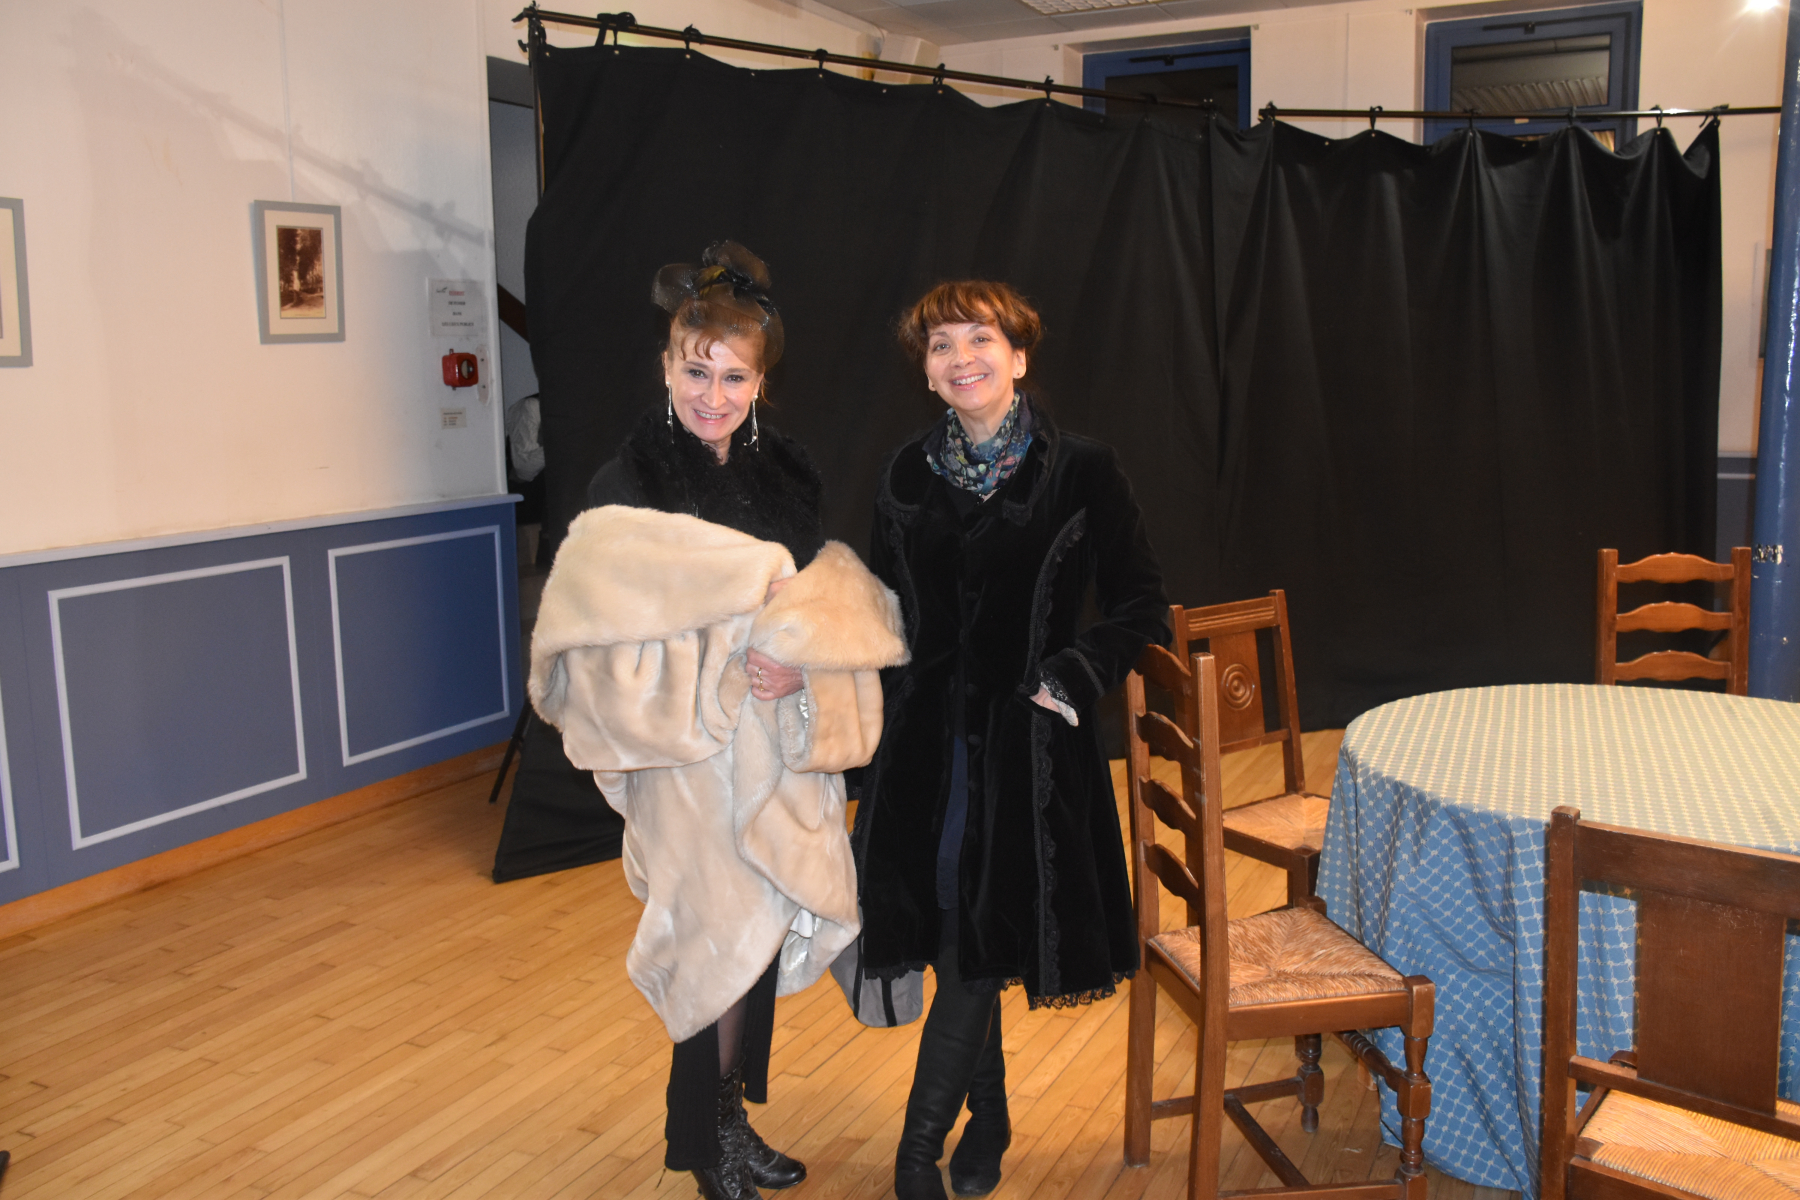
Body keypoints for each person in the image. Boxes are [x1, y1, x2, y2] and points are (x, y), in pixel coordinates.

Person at [528, 243, 908, 1200]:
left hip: (772, 740)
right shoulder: (630, 481)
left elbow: (815, 596)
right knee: (712, 938)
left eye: (734, 376)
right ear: (666, 366)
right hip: (686, 750)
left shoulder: (786, 468)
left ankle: (731, 1120)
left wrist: (798, 660)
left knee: (759, 931)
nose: (714, 394)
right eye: (696, 371)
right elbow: (602, 632)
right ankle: (703, 1144)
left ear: (760, 382)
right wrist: (731, 650)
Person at [854, 281, 1170, 1200]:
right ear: (926, 374)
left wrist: (1070, 674)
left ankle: (916, 1155)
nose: (962, 358)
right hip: (922, 756)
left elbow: (1142, 604)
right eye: (941, 346)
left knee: (973, 940)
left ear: (1019, 357)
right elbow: (879, 609)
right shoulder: (904, 474)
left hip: (1028, 753)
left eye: (980, 338)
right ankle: (987, 1119)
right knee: (961, 934)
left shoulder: (1084, 470)